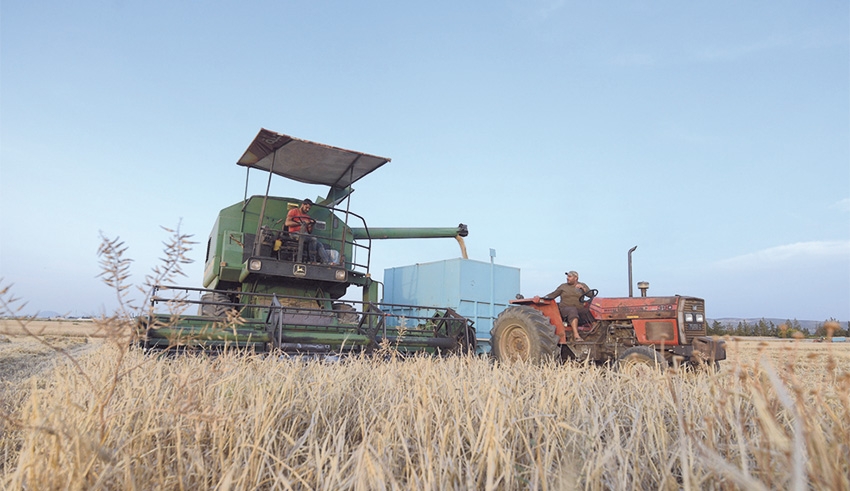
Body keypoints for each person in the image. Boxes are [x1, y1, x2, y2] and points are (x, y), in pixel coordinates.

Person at [543, 270, 592, 342]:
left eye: (569, 276)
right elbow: (553, 294)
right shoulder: (563, 287)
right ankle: (576, 335)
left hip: (579, 309)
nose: (567, 278)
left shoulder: (582, 285)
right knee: (572, 310)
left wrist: (583, 289)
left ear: (576, 278)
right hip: (565, 309)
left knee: (589, 311)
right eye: (567, 276)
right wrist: (543, 298)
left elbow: (590, 295)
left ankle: (596, 333)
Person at [284, 199, 330, 263]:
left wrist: (311, 225)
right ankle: (312, 260)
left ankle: (327, 262)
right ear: (302, 205)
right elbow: (287, 223)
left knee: (319, 244)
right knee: (313, 239)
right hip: (294, 233)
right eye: (307, 207)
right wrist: (302, 223)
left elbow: (309, 232)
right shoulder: (294, 211)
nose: (307, 210)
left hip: (305, 234)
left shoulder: (307, 217)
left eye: (309, 208)